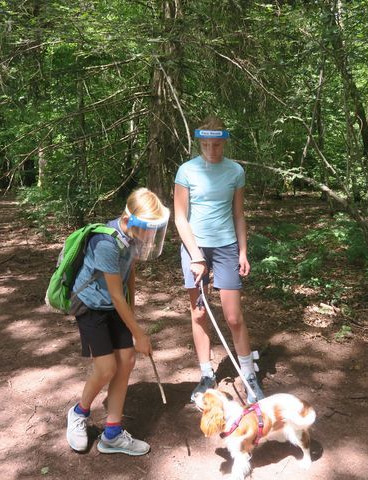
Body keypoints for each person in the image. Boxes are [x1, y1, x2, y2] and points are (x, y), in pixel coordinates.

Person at [66, 187, 170, 454]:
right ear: (130, 220)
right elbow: (114, 294)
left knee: (127, 360)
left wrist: (132, 318)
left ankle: (111, 434)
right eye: (148, 228)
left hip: (114, 306)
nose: (150, 235)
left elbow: (128, 279)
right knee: (106, 368)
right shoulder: (105, 244)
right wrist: (139, 333)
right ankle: (79, 413)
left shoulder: (132, 239)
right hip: (90, 306)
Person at [174, 116, 265, 404]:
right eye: (205, 144)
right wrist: (196, 255)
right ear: (199, 142)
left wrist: (243, 251)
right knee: (199, 313)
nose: (211, 150)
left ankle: (249, 374)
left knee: (233, 317)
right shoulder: (186, 171)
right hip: (194, 247)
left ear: (224, 141)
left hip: (226, 246)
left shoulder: (235, 171)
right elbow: (179, 216)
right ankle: (206, 375)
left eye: (216, 144)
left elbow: (239, 214)